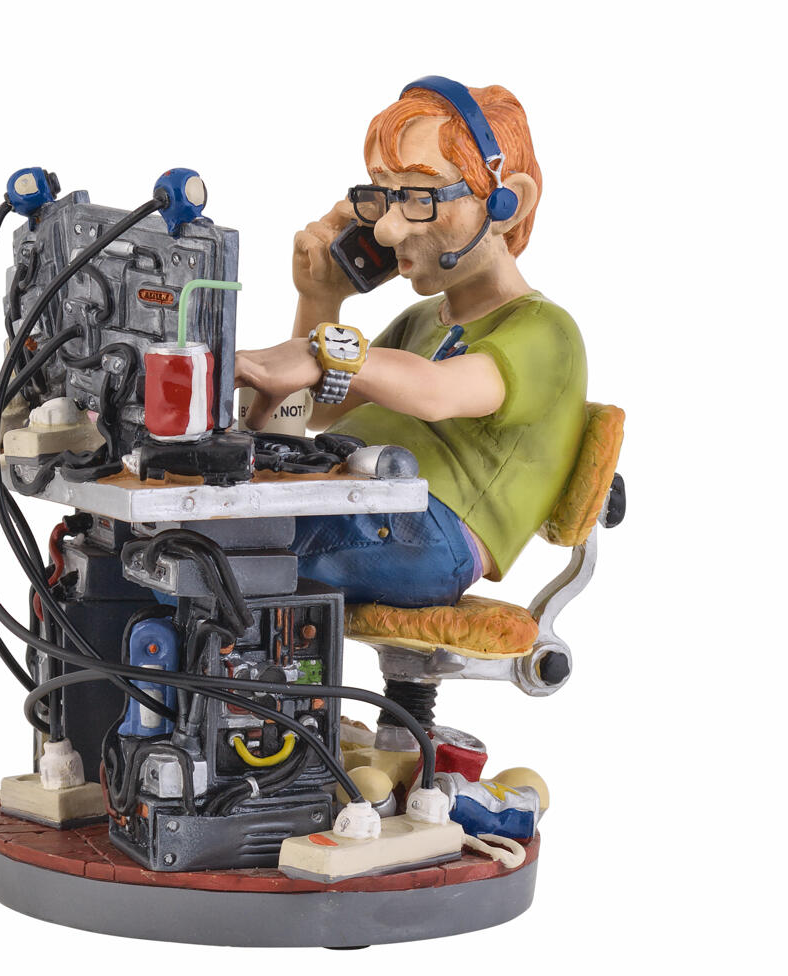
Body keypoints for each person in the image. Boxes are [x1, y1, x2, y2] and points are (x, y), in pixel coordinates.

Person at [234, 78, 588, 608]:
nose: (385, 231)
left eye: (420, 198)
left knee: (214, 560)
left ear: (507, 204)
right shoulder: (422, 320)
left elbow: (438, 391)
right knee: (168, 539)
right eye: (383, 199)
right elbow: (319, 410)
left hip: (426, 532)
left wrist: (320, 353)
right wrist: (320, 298)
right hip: (357, 497)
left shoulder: (546, 332)